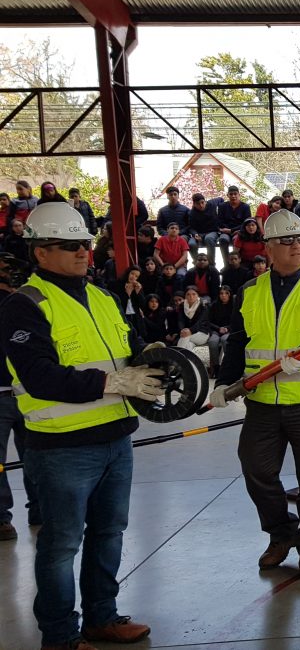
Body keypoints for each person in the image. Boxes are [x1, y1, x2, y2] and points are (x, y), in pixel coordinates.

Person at [0, 202, 162, 648]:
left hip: (116, 438)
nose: (82, 252)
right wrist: (111, 381)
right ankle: (60, 636)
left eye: (86, 244)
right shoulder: (24, 306)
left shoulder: (103, 297)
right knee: (61, 546)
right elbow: (38, 375)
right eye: (69, 245)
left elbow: (135, 348)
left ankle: (101, 618)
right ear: (40, 252)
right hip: (61, 447)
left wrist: (161, 359)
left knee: (109, 533)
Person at [207, 209, 300, 579]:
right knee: (256, 470)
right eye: (287, 241)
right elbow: (237, 344)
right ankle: (281, 534)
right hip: (263, 402)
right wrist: (224, 382)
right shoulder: (248, 292)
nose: (297, 246)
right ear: (269, 249)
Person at [0, 255, 40, 541]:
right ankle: (2, 517)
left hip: (29, 391)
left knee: (37, 455)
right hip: (3, 393)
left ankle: (39, 508)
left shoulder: (28, 304)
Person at [188, 193, 228, 262]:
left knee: (208, 239)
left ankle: (211, 264)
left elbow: (221, 199)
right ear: (194, 204)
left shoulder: (212, 204)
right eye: (198, 204)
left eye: (202, 202)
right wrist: (195, 234)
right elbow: (191, 227)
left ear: (205, 201)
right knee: (191, 244)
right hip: (199, 233)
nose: (201, 205)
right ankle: (197, 263)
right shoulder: (192, 213)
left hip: (212, 231)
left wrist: (220, 213)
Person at [206, 286, 234, 379]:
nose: (224, 296)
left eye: (226, 293)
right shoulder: (214, 305)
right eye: (221, 293)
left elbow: (236, 321)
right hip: (216, 330)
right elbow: (209, 321)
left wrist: (227, 328)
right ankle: (216, 368)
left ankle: (228, 367)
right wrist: (218, 329)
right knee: (212, 342)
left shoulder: (234, 305)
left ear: (230, 295)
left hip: (229, 330)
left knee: (225, 340)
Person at [175, 286, 211, 352]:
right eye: (188, 294)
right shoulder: (182, 306)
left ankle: (177, 359)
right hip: (186, 333)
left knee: (184, 338)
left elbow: (201, 322)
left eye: (194, 294)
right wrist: (182, 330)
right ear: (185, 296)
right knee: (188, 346)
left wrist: (190, 331)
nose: (191, 297)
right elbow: (180, 320)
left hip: (202, 333)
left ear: (198, 295)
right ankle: (188, 362)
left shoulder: (203, 305)